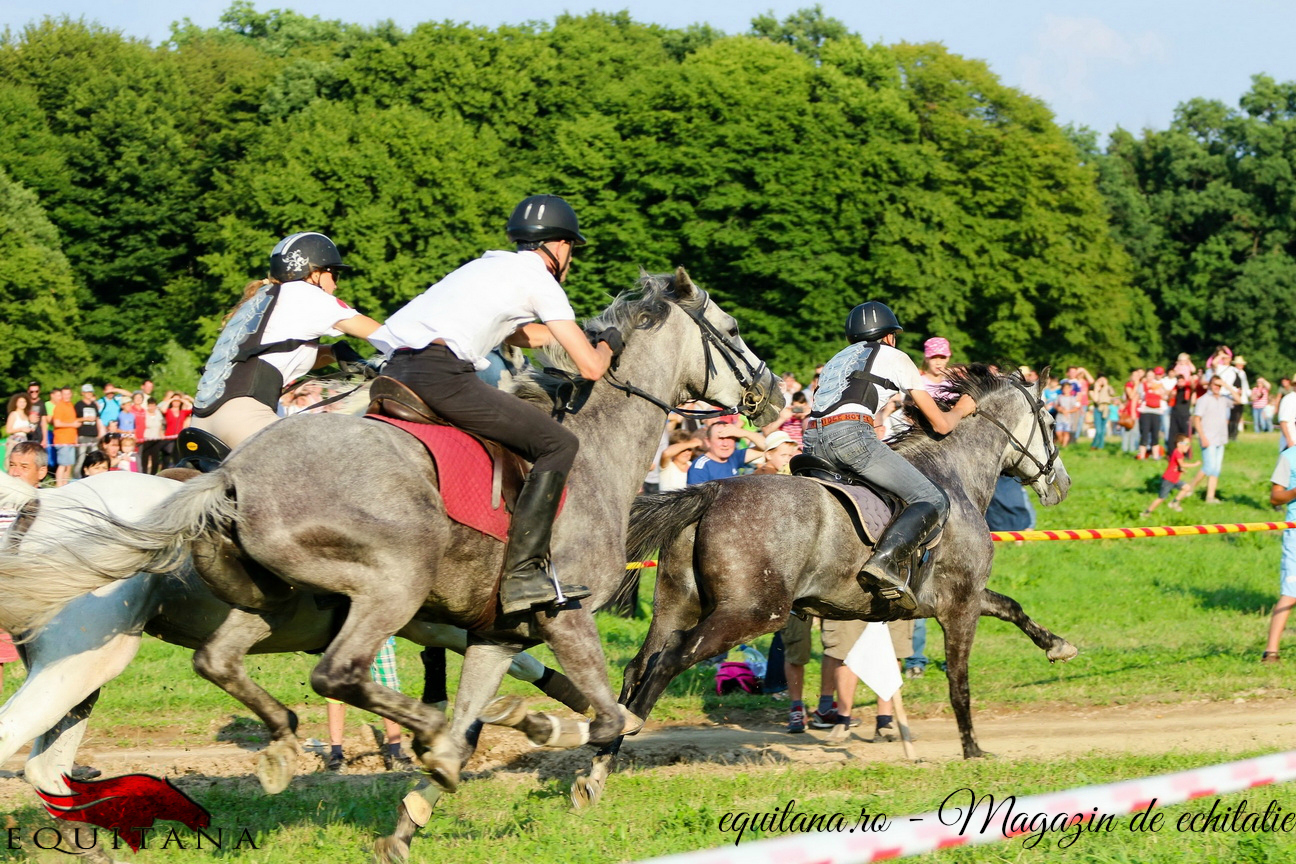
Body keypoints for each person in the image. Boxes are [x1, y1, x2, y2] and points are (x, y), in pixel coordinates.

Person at [369, 195, 618, 616]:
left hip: (396, 370)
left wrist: (572, 336)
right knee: (559, 445)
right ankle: (522, 575)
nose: (569, 258)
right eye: (571, 249)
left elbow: (520, 336)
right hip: (442, 376)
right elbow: (592, 369)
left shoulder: (485, 266)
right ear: (559, 246)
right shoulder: (541, 280)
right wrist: (609, 343)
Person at [804, 302, 976, 610]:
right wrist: (963, 407)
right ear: (890, 337)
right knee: (932, 498)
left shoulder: (835, 360)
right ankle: (884, 562)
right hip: (850, 436)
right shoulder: (895, 357)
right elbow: (941, 424)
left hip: (812, 440)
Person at [191, 232, 383, 450]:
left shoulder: (262, 298)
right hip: (244, 420)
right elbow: (381, 334)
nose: (336, 285)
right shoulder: (307, 294)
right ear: (315, 273)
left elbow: (278, 355)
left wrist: (336, 353)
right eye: (334, 274)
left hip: (200, 422)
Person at [324, 637, 413, 771]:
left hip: (381, 634)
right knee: (335, 691)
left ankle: (396, 752)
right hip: (340, 636)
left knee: (389, 691)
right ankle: (336, 754)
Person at [1263, 445, 1296, 663]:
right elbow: (1275, 497)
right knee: (1291, 591)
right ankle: (1271, 652)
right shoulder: (1288, 457)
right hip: (1295, 532)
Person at [1178, 375, 1233, 504]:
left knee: (1216, 470)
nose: (1217, 388)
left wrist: (1226, 385)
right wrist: (1202, 437)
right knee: (1208, 467)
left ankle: (1210, 497)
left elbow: (1240, 400)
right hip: (1208, 437)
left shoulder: (1224, 399)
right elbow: (1196, 419)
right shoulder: (1203, 400)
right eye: (1215, 384)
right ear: (1209, 385)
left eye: (1219, 385)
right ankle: (1189, 488)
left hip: (1221, 438)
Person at [687, 421, 767, 483]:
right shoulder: (700, 468)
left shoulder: (733, 457)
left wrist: (744, 433)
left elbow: (766, 447)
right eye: (720, 438)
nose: (725, 444)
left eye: (730, 438)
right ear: (708, 442)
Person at [1141, 435, 1198, 518]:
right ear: (1179, 444)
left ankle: (1174, 503)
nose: (1188, 446)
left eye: (1189, 444)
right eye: (1186, 443)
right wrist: (1194, 464)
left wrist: (1181, 469)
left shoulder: (1179, 453)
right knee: (1161, 498)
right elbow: (1182, 464)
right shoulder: (1177, 453)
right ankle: (1146, 512)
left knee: (1187, 488)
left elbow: (1176, 465)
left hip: (1174, 479)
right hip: (1168, 479)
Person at [51, 386, 79, 486]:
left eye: (68, 394)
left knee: (69, 465)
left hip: (70, 440)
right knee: (63, 465)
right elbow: (57, 423)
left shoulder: (70, 405)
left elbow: (73, 422)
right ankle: (59, 486)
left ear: (71, 394)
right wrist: (72, 425)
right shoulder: (59, 407)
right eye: (64, 394)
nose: (66, 396)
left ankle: (65, 485)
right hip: (62, 440)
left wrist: (75, 438)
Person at [1089, 376, 1114, 450]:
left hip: (1106, 409)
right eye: (1100, 380)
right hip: (1098, 410)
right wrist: (1096, 389)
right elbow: (1096, 400)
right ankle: (1094, 444)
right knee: (1099, 430)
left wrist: (1106, 385)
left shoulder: (1107, 388)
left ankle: (1100, 446)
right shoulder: (1092, 390)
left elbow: (1112, 393)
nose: (1102, 382)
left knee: (1103, 430)